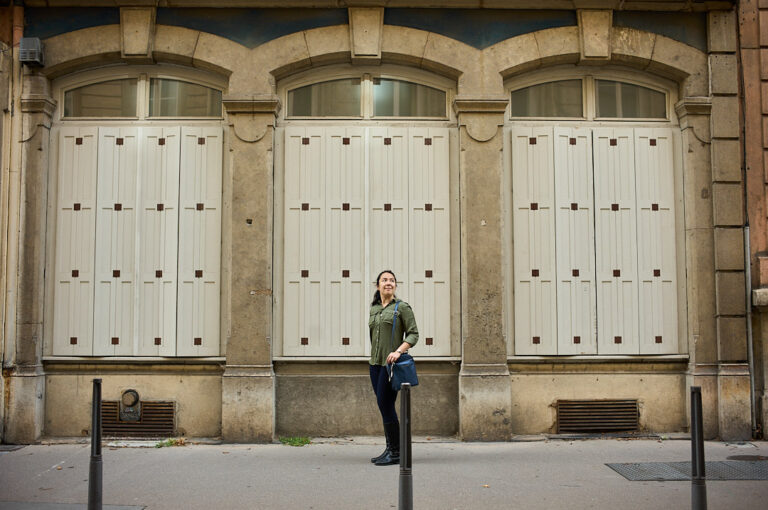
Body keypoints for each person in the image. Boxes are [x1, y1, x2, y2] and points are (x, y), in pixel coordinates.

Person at [368, 269, 418, 466]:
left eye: (392, 280)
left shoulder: (402, 308)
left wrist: (398, 351)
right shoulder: (374, 309)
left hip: (391, 366)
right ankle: (391, 449)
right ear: (378, 285)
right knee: (383, 405)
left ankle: (396, 451)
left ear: (395, 285)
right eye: (384, 280)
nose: (388, 283)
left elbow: (413, 334)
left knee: (385, 404)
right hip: (375, 364)